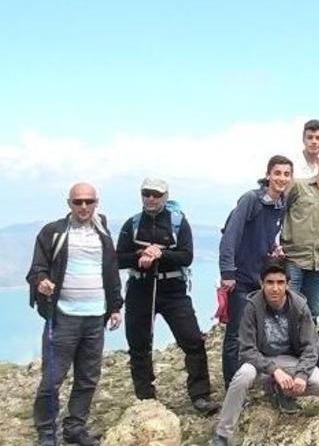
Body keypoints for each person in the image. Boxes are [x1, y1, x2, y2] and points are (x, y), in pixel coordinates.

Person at [27, 183, 123, 446]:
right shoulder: (54, 232)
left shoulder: (102, 232)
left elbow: (111, 271)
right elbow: (36, 269)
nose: (83, 207)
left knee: (88, 377)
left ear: (96, 203)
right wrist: (42, 282)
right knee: (53, 377)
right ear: (68, 203)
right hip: (63, 317)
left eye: (88, 202)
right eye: (78, 202)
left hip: (96, 317)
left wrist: (115, 307)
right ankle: (46, 432)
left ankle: (75, 428)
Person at [115, 178, 219, 414]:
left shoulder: (178, 222)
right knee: (139, 345)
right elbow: (118, 259)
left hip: (173, 289)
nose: (151, 198)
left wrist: (159, 254)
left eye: (156, 194)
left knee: (192, 340)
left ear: (165, 196)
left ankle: (200, 395)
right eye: (146, 193)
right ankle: (146, 398)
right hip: (140, 289)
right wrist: (142, 254)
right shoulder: (131, 224)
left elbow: (186, 256)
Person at [209, 262, 319, 446]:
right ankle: (222, 434)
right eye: (270, 282)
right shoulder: (251, 306)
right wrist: (274, 370)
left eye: (280, 282)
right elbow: (247, 349)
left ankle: (283, 392)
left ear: (287, 284)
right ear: (261, 283)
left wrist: (302, 374)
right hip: (259, 360)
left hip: (288, 359)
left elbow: (311, 346)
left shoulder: (299, 306)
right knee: (242, 376)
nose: (275, 288)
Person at [219, 155, 293, 387]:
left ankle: (249, 381)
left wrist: (274, 250)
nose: (281, 178)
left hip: (259, 278)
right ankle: (232, 385)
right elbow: (230, 235)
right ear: (268, 174)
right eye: (278, 173)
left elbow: (265, 237)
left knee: (255, 334)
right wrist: (227, 272)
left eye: (286, 174)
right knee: (236, 335)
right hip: (240, 278)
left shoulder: (280, 205)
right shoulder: (251, 199)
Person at [281, 143, 319, 320]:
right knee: (288, 311)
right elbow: (280, 214)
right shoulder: (299, 187)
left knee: (311, 314)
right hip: (294, 260)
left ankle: (307, 348)